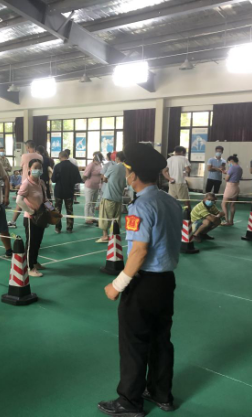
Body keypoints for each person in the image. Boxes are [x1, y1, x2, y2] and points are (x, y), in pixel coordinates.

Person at [99, 143, 182, 417]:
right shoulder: (170, 201)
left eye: (127, 170)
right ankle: (161, 393)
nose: (126, 175)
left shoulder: (140, 206)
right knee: (161, 339)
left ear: (133, 175)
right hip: (166, 281)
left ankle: (129, 401)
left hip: (143, 283)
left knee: (133, 342)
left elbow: (139, 251)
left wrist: (117, 285)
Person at [17, 159, 48, 277]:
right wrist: (31, 211)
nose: (38, 170)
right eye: (35, 167)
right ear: (29, 169)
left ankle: (34, 262)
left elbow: (45, 200)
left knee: (38, 242)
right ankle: (29, 267)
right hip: (30, 219)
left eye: (40, 168)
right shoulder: (26, 183)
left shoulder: (41, 183)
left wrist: (52, 210)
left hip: (41, 218)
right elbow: (19, 200)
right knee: (31, 243)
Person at [8, 141, 43, 228]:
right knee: (38, 201)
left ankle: (13, 221)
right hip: (36, 182)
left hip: (26, 181)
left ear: (27, 147)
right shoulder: (40, 157)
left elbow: (21, 166)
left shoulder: (24, 156)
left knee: (20, 202)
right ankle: (40, 218)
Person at [97, 152, 127, 243]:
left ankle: (105, 236)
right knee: (116, 218)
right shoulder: (126, 169)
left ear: (117, 158)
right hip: (119, 197)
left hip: (109, 196)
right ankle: (114, 235)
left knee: (105, 216)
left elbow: (104, 178)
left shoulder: (113, 167)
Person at [52, 151, 82, 233]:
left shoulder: (57, 166)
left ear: (60, 157)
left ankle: (58, 228)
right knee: (69, 210)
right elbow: (78, 180)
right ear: (67, 156)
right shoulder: (74, 167)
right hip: (69, 191)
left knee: (57, 210)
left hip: (59, 191)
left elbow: (53, 180)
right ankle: (69, 227)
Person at [163, 146, 191, 210]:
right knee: (186, 201)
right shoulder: (184, 159)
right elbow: (188, 170)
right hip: (181, 183)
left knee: (172, 201)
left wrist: (169, 178)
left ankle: (172, 214)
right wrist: (184, 172)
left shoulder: (169, 159)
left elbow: (164, 171)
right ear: (182, 152)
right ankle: (188, 214)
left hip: (171, 183)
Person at [221, 154, 243, 226]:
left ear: (231, 161)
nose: (228, 164)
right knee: (232, 205)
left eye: (228, 162)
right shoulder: (240, 168)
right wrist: (227, 172)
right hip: (236, 187)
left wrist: (226, 175)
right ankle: (231, 221)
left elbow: (227, 179)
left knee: (224, 204)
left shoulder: (232, 168)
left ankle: (226, 221)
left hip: (230, 187)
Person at [84, 152, 103, 225]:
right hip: (89, 187)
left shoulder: (100, 165)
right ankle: (87, 218)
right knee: (88, 202)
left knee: (93, 203)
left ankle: (92, 217)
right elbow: (85, 175)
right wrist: (87, 181)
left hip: (97, 186)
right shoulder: (91, 165)